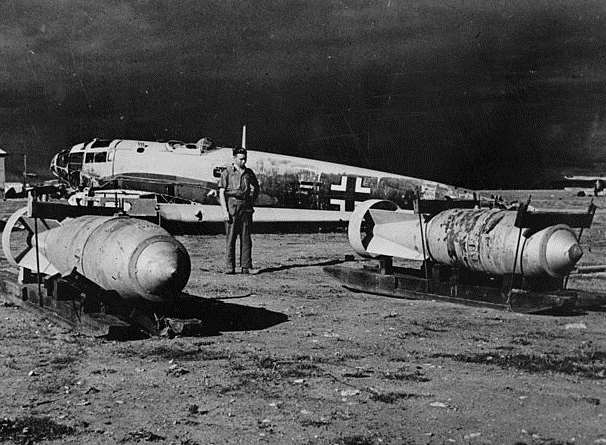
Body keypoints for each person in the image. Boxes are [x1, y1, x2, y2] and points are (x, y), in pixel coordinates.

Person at [218, 147, 259, 274]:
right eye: (241, 159)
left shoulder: (249, 173)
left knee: (246, 238)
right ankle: (229, 267)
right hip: (232, 206)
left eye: (245, 158)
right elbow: (221, 192)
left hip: (245, 208)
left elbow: (256, 188)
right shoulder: (227, 172)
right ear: (234, 158)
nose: (243, 161)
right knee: (230, 238)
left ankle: (246, 267)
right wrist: (225, 211)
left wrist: (251, 201)